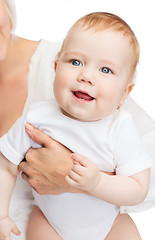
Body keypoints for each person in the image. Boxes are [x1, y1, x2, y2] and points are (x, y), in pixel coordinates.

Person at [0, 0, 154, 239]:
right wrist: (2, 215)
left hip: (110, 225)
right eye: (75, 62)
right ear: (55, 68)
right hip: (49, 222)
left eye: (105, 70)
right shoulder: (37, 117)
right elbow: (6, 165)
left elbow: (139, 188)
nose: (86, 76)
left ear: (125, 93)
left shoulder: (120, 127)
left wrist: (97, 183)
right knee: (38, 226)